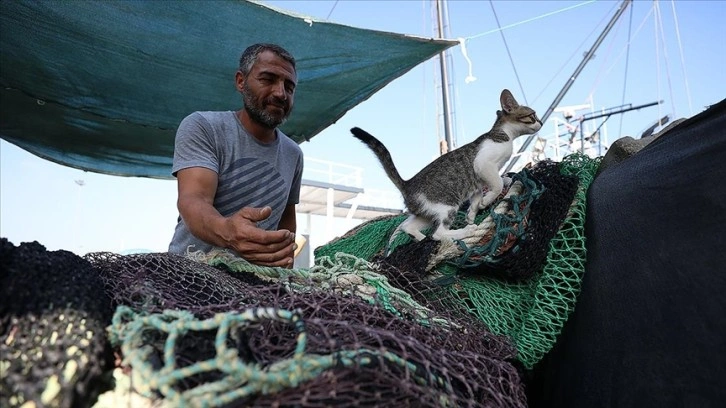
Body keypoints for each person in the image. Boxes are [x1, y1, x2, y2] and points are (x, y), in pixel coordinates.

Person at [168, 43, 302, 268]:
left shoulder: (293, 154)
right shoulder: (203, 126)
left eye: (289, 87)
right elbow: (193, 199)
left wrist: (283, 263)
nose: (281, 93)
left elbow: (287, 220)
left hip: (256, 283)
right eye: (268, 79)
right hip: (189, 272)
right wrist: (228, 231)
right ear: (241, 81)